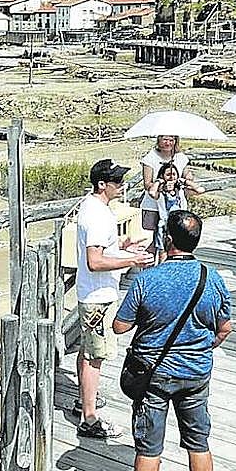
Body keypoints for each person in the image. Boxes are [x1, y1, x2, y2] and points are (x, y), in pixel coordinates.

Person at [112, 210, 233, 471]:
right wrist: (202, 346)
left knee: (149, 447)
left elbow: (119, 327)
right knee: (198, 442)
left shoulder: (146, 280)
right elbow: (225, 328)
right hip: (196, 374)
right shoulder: (213, 279)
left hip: (153, 376)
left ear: (166, 240)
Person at [75, 159, 153, 439]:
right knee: (96, 356)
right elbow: (94, 261)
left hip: (93, 293)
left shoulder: (95, 208)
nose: (121, 186)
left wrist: (122, 246)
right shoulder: (96, 215)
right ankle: (90, 418)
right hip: (98, 297)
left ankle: (84, 401)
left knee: (87, 351)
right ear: (101, 185)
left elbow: (101, 247)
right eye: (117, 182)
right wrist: (132, 259)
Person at [139, 135, 202, 259]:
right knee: (151, 241)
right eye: (165, 139)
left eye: (171, 140)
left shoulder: (181, 158)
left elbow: (187, 175)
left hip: (176, 207)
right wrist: (163, 187)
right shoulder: (150, 158)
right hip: (154, 205)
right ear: (159, 140)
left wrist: (186, 179)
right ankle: (148, 268)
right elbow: (147, 184)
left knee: (175, 240)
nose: (168, 143)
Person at [148, 162, 189, 262]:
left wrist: (184, 181)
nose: (171, 177)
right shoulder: (161, 193)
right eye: (168, 175)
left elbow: (200, 190)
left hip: (180, 225)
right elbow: (152, 192)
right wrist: (159, 181)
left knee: (180, 252)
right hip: (165, 226)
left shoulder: (182, 191)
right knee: (163, 253)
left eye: (174, 174)